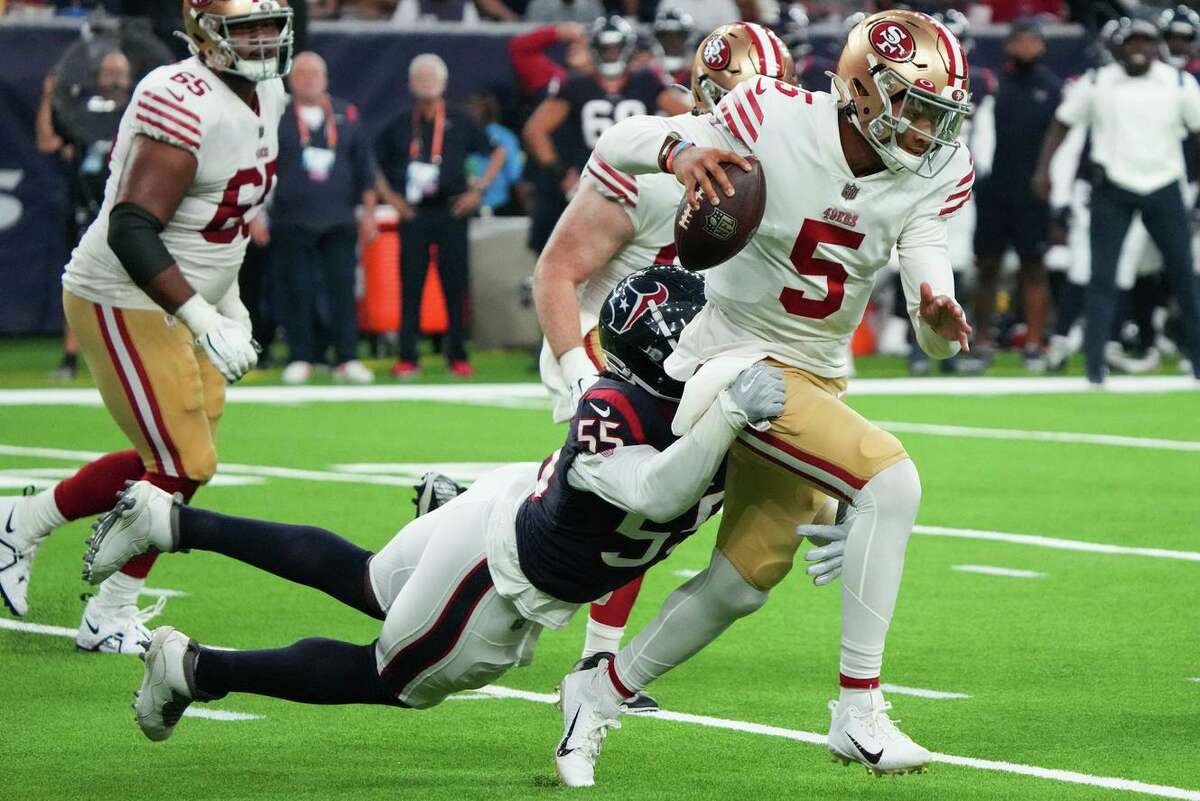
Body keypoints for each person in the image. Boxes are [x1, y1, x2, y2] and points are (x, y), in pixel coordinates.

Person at [80, 266, 798, 746]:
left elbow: (777, 479)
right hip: (509, 570)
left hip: (504, 503)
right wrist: (728, 417)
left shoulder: (700, 398)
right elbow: (659, 490)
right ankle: (195, 668)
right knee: (391, 678)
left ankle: (167, 521)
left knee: (366, 581)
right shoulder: (615, 409)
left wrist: (841, 506)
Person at [556, 9, 975, 784]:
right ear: (859, 89)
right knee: (891, 477)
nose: (924, 130)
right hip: (732, 359)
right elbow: (620, 143)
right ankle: (858, 710)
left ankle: (598, 689)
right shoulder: (770, 115)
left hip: (816, 371)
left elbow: (931, 285)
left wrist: (938, 312)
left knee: (742, 581)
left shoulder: (938, 172)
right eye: (912, 107)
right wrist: (682, 152)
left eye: (936, 113)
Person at [0, 0, 292, 648]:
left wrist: (231, 303)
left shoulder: (268, 91)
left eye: (272, 26)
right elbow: (133, 225)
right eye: (247, 30)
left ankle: (24, 520)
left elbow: (225, 218)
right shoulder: (179, 96)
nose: (265, 42)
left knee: (178, 463)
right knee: (185, 456)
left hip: (190, 298)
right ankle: (108, 610)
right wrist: (200, 314)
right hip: (125, 294)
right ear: (206, 35)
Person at [529, 24, 795, 713]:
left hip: (690, 348)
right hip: (605, 340)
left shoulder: (788, 172)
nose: (764, 113)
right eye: (747, 96)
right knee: (635, 494)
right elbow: (556, 272)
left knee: (681, 493)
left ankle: (486, 501)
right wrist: (576, 375)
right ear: (708, 99)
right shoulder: (652, 163)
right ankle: (597, 653)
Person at [1033, 15, 1200, 385]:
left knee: (1184, 275)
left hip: (1164, 183)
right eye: (1131, 42)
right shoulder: (1097, 82)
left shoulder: (1177, 82)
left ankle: (1198, 360)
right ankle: (1095, 366)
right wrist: (1044, 170)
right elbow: (1062, 122)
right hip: (1112, 185)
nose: (1138, 49)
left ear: (1155, 46)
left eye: (1145, 42)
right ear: (1119, 47)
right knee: (1102, 277)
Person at [376, 54, 507, 380]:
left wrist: (478, 191)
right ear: (410, 84)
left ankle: (458, 355)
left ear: (444, 83)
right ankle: (408, 356)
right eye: (420, 79)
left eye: (431, 78)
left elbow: (499, 150)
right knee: (411, 285)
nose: (425, 85)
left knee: (455, 284)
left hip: (452, 211)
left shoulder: (460, 120)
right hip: (413, 213)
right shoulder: (398, 122)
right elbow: (371, 162)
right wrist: (391, 199)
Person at [522, 16, 690, 255]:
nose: (611, 55)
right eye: (605, 49)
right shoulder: (576, 85)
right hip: (592, 179)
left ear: (628, 49)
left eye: (616, 48)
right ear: (594, 50)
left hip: (642, 181)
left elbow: (690, 117)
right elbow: (535, 130)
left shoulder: (647, 80)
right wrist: (560, 174)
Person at [266, 51, 378, 386]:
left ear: (326, 77)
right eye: (302, 74)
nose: (309, 79)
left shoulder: (346, 113)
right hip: (291, 219)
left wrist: (369, 214)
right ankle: (302, 355)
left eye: (315, 73)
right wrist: (256, 214)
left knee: (343, 290)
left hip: (339, 218)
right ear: (290, 79)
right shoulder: (278, 115)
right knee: (296, 290)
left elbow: (365, 169)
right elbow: (262, 166)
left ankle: (347, 357)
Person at [36, 50, 133, 381]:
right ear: (99, 76)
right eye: (109, 72)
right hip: (86, 207)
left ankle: (129, 355)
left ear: (130, 76)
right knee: (79, 283)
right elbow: (48, 142)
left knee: (133, 283)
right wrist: (50, 97)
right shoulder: (81, 110)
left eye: (120, 71)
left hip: (129, 209)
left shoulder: (138, 110)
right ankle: (71, 356)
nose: (115, 78)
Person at [970, 17, 1059, 372]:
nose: (1026, 47)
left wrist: (1052, 182)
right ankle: (982, 342)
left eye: (1033, 41)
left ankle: (1035, 343)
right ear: (1007, 46)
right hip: (994, 190)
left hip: (1033, 191)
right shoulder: (994, 86)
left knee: (1033, 267)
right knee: (987, 266)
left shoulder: (1052, 89)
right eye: (1019, 40)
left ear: (1043, 47)